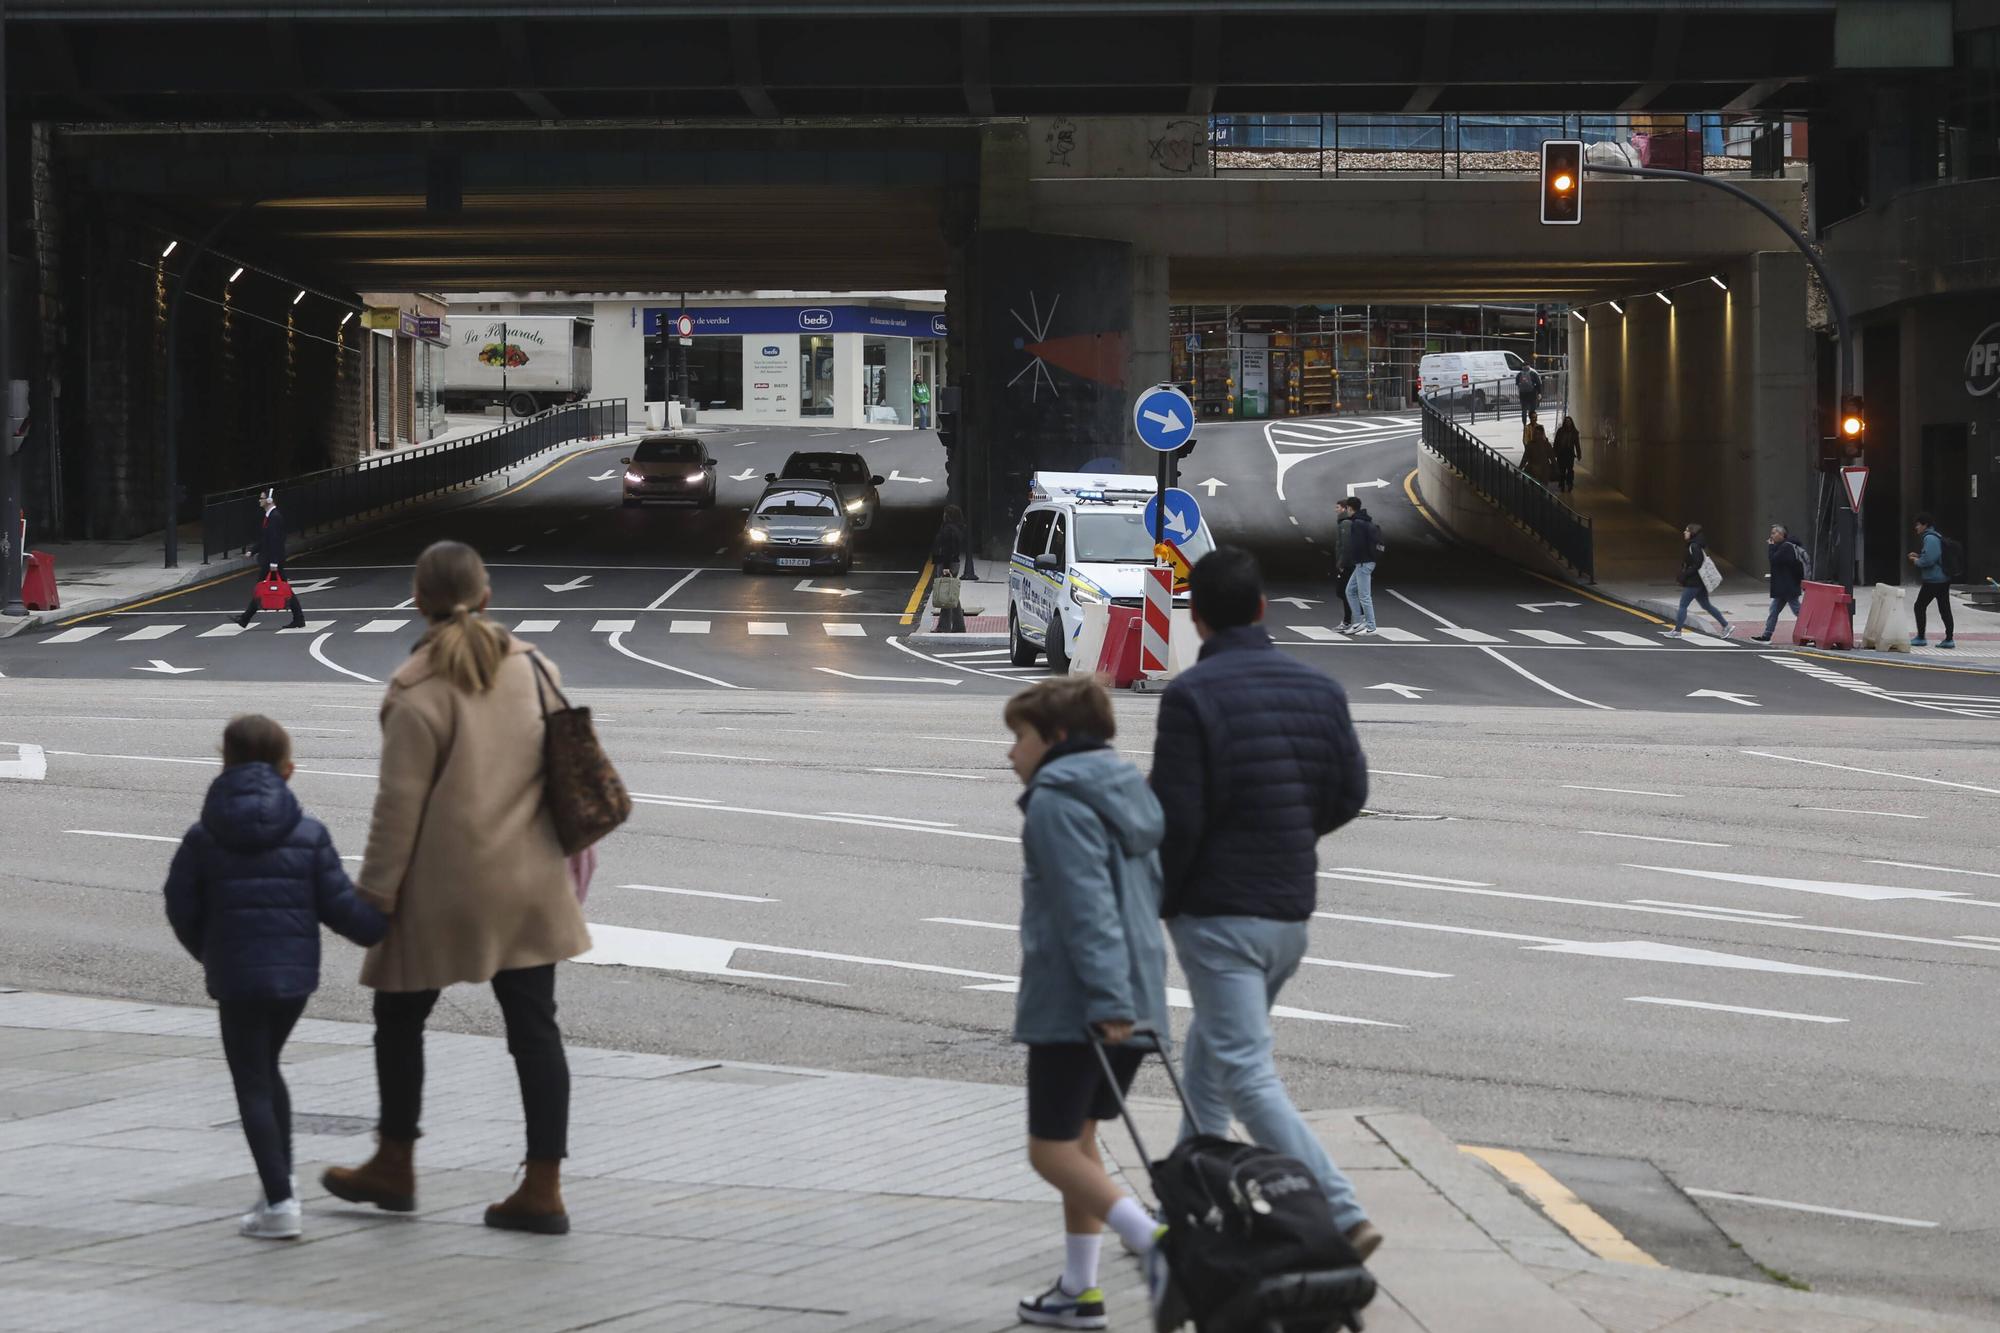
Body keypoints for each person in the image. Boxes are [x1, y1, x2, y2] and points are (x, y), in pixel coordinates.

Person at [322, 540, 593, 1235]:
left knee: (399, 1019)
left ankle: (395, 1160)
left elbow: (397, 810)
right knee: (536, 1033)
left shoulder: (415, 691)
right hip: (531, 883)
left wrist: (374, 897)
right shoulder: (536, 669)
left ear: (418, 600)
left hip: (442, 889)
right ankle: (544, 1186)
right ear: (488, 595)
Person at [1149, 547, 1383, 1263]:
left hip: (1221, 916)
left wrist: (1162, 897)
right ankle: (1184, 1203)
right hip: (1288, 912)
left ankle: (1342, 1209)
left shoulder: (1192, 697)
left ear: (1196, 617)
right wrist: (1286, 836)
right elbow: (1350, 794)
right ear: (1262, 608)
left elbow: (1177, 819)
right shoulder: (1320, 689)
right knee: (1212, 1056)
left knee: (1244, 1069)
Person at [164, 715, 387, 1241]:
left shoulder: (203, 836)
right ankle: (276, 1190)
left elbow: (180, 905)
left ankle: (282, 1202)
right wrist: (392, 929)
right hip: (294, 982)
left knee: (253, 1081)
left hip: (236, 978)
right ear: (288, 770)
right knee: (268, 1071)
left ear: (225, 763)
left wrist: (209, 953)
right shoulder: (309, 833)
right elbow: (342, 910)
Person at [1004, 675, 1174, 1331]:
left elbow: (1086, 908)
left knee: (1048, 1151)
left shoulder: (1058, 799)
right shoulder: (1126, 792)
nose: (1011, 753)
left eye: (1020, 736)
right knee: (1080, 1142)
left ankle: (1155, 1244)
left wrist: (1104, 999)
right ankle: (1080, 1289)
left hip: (1081, 1003)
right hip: (1135, 995)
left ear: (1059, 737)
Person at [236, 489, 307, 630]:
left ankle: (245, 618)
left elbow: (275, 541)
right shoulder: (270, 516)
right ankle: (298, 618)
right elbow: (266, 539)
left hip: (272, 561)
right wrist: (252, 550)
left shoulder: (275, 517)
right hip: (271, 560)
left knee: (263, 589)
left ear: (269, 500)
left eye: (262, 498)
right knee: (279, 589)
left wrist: (274, 562)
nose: (259, 500)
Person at [1664, 522, 1732, 637]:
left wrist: (1685, 574)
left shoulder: (1694, 546)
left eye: (1686, 530)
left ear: (1692, 533)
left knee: (1683, 605)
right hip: (1700, 581)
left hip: (1694, 582)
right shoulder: (1698, 545)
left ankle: (1677, 631)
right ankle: (1726, 626)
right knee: (1706, 605)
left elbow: (1697, 564)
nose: (1684, 532)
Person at [1908, 512, 1957, 648]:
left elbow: (1929, 560)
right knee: (1944, 608)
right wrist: (1919, 556)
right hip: (1942, 579)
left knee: (1919, 606)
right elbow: (1932, 556)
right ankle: (1949, 639)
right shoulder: (1935, 536)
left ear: (1925, 525)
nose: (1916, 528)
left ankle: (1921, 637)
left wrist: (1915, 560)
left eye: (1918, 525)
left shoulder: (1930, 538)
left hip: (1934, 580)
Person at [1752, 524, 1807, 643]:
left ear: (1782, 535)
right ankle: (1766, 636)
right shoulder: (1783, 547)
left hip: (1787, 586)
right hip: (1784, 586)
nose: (1771, 536)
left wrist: (1771, 546)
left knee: (1798, 611)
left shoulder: (1786, 547)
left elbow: (1773, 560)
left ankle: (1811, 631)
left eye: (1774, 533)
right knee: (1774, 611)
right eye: (1771, 533)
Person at [1342, 501, 1382, 635]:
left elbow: (1358, 544)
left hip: (1364, 563)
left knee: (1364, 596)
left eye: (1346, 508)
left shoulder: (1357, 523)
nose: (1346, 510)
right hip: (1364, 562)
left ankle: (1371, 627)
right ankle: (1359, 622)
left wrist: (1350, 560)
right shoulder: (1364, 521)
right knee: (1350, 591)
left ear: (1350, 508)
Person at [1332, 497, 1357, 632]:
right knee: (1346, 592)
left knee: (1345, 592)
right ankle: (1352, 620)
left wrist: (1341, 563)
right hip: (1348, 564)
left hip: (1348, 565)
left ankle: (1348, 621)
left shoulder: (1345, 524)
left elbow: (1346, 546)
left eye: (1337, 507)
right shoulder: (1343, 522)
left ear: (1345, 508)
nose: (1335, 510)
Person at [1552, 416, 1581, 493]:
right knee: (1562, 469)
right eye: (1567, 421)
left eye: (1569, 421)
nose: (1568, 422)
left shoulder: (1574, 432)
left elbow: (1577, 444)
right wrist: (1554, 452)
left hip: (1569, 453)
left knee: (1570, 470)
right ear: (1565, 422)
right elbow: (1556, 442)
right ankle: (1562, 483)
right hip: (1561, 453)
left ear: (1571, 422)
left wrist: (1579, 454)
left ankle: (1570, 483)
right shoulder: (1560, 431)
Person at [1515, 360, 1542, 426]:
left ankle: (1524, 424)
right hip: (1532, 393)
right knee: (1532, 410)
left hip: (1523, 394)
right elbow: (1538, 383)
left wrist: (1519, 392)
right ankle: (1532, 423)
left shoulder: (1519, 374)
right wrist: (1539, 393)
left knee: (1524, 410)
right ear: (1529, 366)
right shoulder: (1533, 373)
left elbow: (1517, 384)